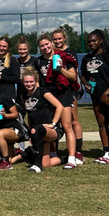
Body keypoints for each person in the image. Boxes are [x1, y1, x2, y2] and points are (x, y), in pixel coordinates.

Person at [37, 34, 79, 169]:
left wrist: (61, 68)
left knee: (67, 126)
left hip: (63, 94)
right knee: (51, 126)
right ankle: (54, 154)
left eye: (47, 44)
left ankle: (72, 158)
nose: (45, 47)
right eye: (42, 46)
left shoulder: (64, 56)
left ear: (51, 43)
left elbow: (73, 77)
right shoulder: (38, 61)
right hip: (48, 97)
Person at [81, 30, 109, 165]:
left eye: (94, 41)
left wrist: (107, 93)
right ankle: (105, 151)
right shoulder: (87, 58)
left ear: (101, 40)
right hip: (96, 94)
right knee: (102, 124)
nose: (91, 43)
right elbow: (82, 75)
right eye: (89, 42)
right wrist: (85, 84)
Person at [19, 68, 65, 172]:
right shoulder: (24, 96)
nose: (29, 84)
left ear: (35, 81)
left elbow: (60, 106)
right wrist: (30, 131)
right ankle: (63, 159)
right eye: (26, 82)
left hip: (50, 130)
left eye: (31, 81)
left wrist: (53, 123)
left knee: (37, 129)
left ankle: (37, 165)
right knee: (46, 163)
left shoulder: (42, 92)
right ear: (22, 82)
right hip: (36, 131)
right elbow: (30, 115)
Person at [52, 28, 85, 164]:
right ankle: (55, 151)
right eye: (55, 39)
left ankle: (77, 151)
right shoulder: (52, 52)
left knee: (73, 120)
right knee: (56, 121)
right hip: (56, 90)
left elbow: (73, 76)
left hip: (69, 90)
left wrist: (61, 69)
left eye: (60, 38)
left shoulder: (70, 52)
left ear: (64, 38)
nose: (57, 41)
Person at [0, 76, 28, 170]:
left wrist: (5, 115)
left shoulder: (4, 97)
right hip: (2, 132)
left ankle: (5, 163)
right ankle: (23, 155)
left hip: (14, 129)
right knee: (10, 159)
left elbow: (15, 114)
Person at [15, 37, 39, 106]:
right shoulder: (16, 62)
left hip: (33, 94)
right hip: (21, 94)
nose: (22, 51)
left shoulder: (34, 61)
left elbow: (38, 78)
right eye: (20, 49)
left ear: (28, 48)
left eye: (24, 49)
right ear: (17, 49)